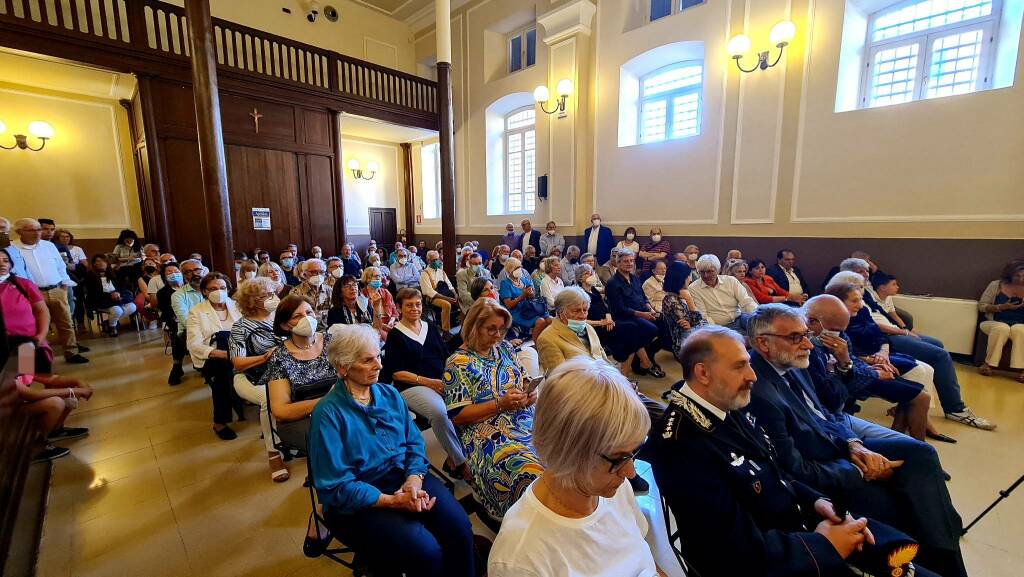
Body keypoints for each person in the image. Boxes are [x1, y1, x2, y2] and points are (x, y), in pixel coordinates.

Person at [650, 327, 940, 577]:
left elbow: (774, 471)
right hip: (775, 559)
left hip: (798, 525)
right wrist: (823, 546)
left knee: (906, 554)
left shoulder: (722, 401)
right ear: (703, 372)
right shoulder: (681, 444)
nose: (752, 375)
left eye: (750, 364)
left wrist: (816, 502)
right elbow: (730, 550)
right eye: (740, 366)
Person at [745, 304, 968, 577]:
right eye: (795, 337)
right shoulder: (760, 392)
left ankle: (945, 552)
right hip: (823, 467)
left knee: (920, 455)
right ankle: (941, 559)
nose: (808, 344)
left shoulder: (793, 364)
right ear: (763, 343)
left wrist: (854, 444)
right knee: (898, 500)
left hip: (836, 442)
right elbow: (793, 469)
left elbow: (827, 412)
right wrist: (860, 470)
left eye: (805, 334)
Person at [308, 324, 476, 577]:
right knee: (425, 551)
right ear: (343, 368)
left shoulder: (388, 394)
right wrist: (392, 501)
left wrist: (413, 481)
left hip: (404, 476)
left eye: (378, 356)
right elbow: (336, 486)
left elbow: (414, 444)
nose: (379, 365)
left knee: (460, 528)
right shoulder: (327, 415)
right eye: (367, 360)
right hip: (359, 497)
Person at [488, 357, 663, 577]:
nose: (630, 473)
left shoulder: (613, 488)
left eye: (633, 453)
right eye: (618, 459)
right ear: (567, 453)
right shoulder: (522, 559)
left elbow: (642, 556)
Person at [837, 262, 997, 431]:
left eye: (866, 271)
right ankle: (953, 409)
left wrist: (898, 334)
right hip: (884, 340)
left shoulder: (865, 293)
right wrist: (899, 336)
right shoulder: (845, 300)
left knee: (937, 346)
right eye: (859, 272)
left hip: (883, 340)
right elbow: (861, 336)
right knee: (939, 355)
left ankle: (918, 412)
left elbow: (879, 321)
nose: (865, 274)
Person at [443, 299, 544, 520]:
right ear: (473, 327)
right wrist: (500, 404)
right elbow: (457, 416)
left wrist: (528, 394)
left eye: (502, 329)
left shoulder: (506, 349)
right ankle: (523, 522)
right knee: (528, 471)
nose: (498, 335)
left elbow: (520, 380)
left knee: (562, 450)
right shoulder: (458, 362)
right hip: (484, 430)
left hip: (521, 415)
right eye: (491, 329)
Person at [536, 287, 667, 425]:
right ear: (561, 313)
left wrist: (622, 381)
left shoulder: (588, 328)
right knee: (641, 423)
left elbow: (605, 361)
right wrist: (607, 390)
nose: (582, 315)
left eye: (585, 310)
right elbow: (561, 384)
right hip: (589, 400)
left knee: (666, 416)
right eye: (576, 311)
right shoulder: (548, 338)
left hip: (612, 387)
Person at [380, 288, 468, 480]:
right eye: (409, 305)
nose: (414, 308)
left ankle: (468, 452)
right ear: (399, 308)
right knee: (439, 411)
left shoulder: (429, 326)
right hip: (412, 386)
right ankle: (460, 462)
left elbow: (445, 355)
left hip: (440, 381)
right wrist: (430, 382)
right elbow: (396, 372)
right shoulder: (396, 335)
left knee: (467, 401)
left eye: (418, 304)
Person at [228, 277, 288, 481]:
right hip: (250, 377)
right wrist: (264, 356)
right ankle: (274, 453)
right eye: (267, 295)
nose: (274, 298)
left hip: (281, 373)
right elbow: (237, 363)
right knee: (268, 400)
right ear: (252, 301)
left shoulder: (280, 319)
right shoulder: (240, 327)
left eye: (274, 293)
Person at [11, 218, 87, 363]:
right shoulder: (12, 248)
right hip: (31, 293)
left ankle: (72, 352)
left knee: (66, 322)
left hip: (57, 289)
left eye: (39, 229)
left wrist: (64, 284)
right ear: (19, 232)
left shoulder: (49, 246)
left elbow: (60, 266)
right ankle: (34, 359)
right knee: (33, 326)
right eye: (32, 230)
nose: (38, 233)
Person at [266, 295, 336, 451]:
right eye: (297, 316)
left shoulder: (333, 343)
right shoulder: (279, 357)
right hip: (300, 417)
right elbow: (280, 410)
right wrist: (327, 401)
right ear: (285, 325)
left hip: (339, 408)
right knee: (331, 441)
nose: (306, 319)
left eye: (309, 313)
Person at [186, 272, 244, 440]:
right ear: (204, 291)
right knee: (223, 373)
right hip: (213, 356)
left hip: (239, 351)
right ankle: (220, 422)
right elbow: (194, 345)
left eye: (223, 288)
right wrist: (227, 355)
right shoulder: (197, 312)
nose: (219, 291)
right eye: (213, 288)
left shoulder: (236, 306)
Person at [606, 249, 666, 378]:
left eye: (632, 261)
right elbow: (620, 309)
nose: (630, 263)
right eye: (626, 261)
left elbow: (643, 297)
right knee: (650, 329)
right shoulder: (612, 283)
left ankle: (644, 359)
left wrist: (650, 308)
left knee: (665, 326)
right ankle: (644, 362)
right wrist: (642, 315)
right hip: (625, 317)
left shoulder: (635, 278)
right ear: (618, 262)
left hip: (642, 312)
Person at [977, 259, 1024, 380]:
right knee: (1001, 328)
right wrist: (1002, 307)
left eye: (1023, 275)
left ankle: (1021, 369)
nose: (1020, 279)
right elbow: (982, 306)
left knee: (1020, 330)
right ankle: (989, 365)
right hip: (995, 321)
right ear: (1010, 274)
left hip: (1020, 323)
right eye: (1017, 275)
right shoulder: (996, 285)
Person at [0, 248, 51, 357]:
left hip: (26, 342)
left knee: (25, 372)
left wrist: (41, 336)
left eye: (5, 260)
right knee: (6, 373)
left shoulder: (24, 284)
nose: (2, 264)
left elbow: (42, 311)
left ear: (11, 264)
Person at [687, 254, 757, 330]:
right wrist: (717, 331)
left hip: (739, 318)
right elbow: (703, 315)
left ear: (718, 270)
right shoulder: (694, 288)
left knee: (758, 323)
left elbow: (746, 302)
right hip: (719, 326)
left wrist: (759, 316)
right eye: (702, 272)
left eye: (710, 271)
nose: (706, 275)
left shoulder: (731, 281)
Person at [84, 254, 137, 336]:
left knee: (132, 307)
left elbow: (122, 286)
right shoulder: (90, 275)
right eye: (98, 261)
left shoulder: (113, 273)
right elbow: (93, 292)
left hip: (116, 297)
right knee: (117, 310)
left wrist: (118, 293)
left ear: (107, 263)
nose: (101, 263)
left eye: (103, 261)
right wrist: (110, 296)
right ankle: (112, 327)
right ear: (94, 264)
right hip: (100, 299)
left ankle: (107, 323)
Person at [660, 261, 703, 362]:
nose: (690, 279)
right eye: (688, 276)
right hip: (683, 344)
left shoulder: (680, 294)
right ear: (681, 279)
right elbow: (695, 321)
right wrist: (690, 301)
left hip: (692, 335)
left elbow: (695, 322)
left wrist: (694, 323)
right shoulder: (671, 299)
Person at [499, 257, 550, 343]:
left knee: (549, 319)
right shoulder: (505, 284)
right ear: (510, 270)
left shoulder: (523, 280)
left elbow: (532, 295)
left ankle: (545, 342)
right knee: (540, 321)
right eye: (516, 268)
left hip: (529, 308)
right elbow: (509, 305)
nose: (520, 270)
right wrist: (522, 297)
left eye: (520, 267)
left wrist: (530, 294)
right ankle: (536, 345)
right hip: (516, 312)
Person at [156, 263, 189, 385]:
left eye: (176, 271)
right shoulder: (163, 293)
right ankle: (177, 365)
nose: (173, 274)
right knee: (177, 333)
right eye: (169, 272)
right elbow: (165, 312)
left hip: (195, 318)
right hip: (175, 321)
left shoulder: (191, 287)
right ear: (164, 277)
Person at [419, 250, 458, 334]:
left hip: (445, 294)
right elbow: (429, 291)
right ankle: (445, 331)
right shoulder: (425, 274)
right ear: (428, 261)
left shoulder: (441, 271)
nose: (436, 261)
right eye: (434, 260)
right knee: (446, 304)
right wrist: (447, 298)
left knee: (460, 300)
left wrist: (455, 294)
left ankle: (462, 325)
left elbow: (449, 284)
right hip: (432, 298)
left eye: (437, 259)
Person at [291, 259, 333, 326]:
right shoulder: (296, 291)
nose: (318, 275)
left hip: (328, 328)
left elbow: (334, 312)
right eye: (313, 272)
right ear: (304, 274)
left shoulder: (330, 290)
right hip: (306, 329)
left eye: (321, 272)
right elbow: (297, 315)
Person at [360, 266, 398, 340]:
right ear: (367, 279)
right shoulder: (362, 295)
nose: (379, 278)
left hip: (390, 323)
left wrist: (391, 321)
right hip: (374, 326)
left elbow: (394, 312)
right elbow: (366, 320)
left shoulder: (386, 292)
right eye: (375, 276)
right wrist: (383, 326)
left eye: (379, 276)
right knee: (389, 338)